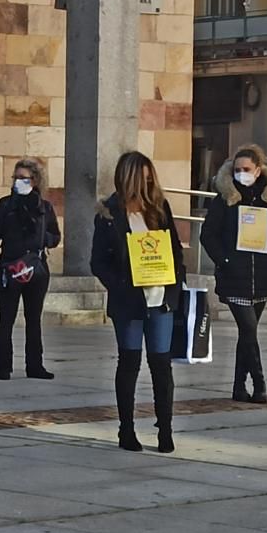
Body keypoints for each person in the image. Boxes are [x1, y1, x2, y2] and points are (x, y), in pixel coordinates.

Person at [91, 151, 184, 454]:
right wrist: (119, 284)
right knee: (129, 362)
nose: (146, 184)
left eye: (150, 177)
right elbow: (98, 262)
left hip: (160, 299)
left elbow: (176, 253)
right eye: (141, 178)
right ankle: (126, 429)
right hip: (128, 300)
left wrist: (174, 285)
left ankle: (165, 430)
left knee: (161, 364)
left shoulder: (160, 209)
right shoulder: (109, 214)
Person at [200, 144, 267, 403]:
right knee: (249, 329)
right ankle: (260, 383)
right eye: (237, 170)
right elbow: (208, 235)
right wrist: (224, 260)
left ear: (258, 170)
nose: (242, 174)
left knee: (246, 335)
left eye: (246, 169)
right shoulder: (224, 199)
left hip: (261, 275)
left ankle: (239, 386)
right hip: (233, 276)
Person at [0, 158, 60, 380]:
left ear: (34, 181)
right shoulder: (5, 205)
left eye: (23, 178)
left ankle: (35, 365)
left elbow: (55, 236)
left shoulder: (44, 208)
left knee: (34, 318)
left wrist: (42, 237)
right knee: (6, 318)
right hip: (9, 268)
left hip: (36, 269)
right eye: (16, 178)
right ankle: (3, 366)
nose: (19, 182)